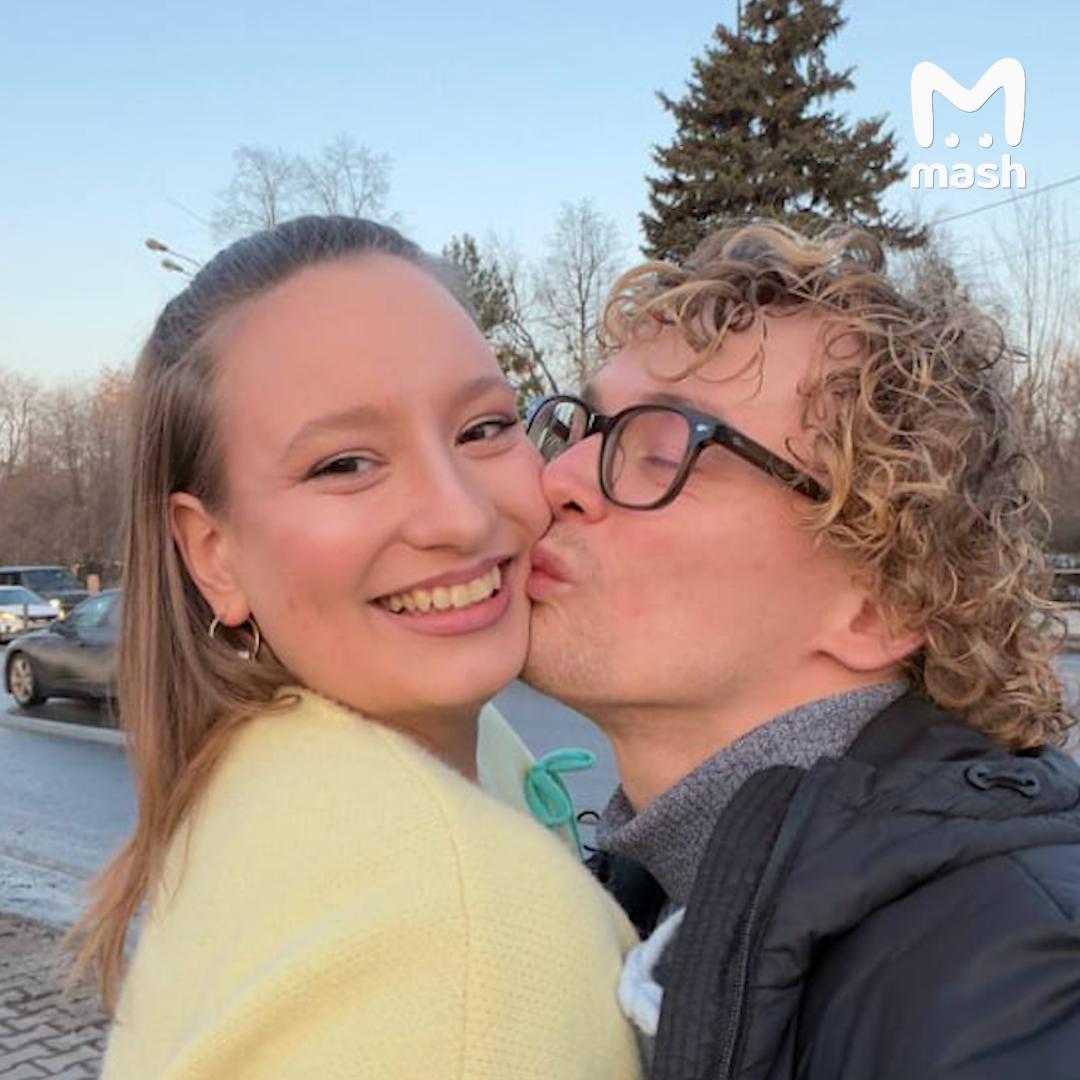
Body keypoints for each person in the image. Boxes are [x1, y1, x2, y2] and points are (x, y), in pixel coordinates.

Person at [75, 216, 643, 1079]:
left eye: (484, 427)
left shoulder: (271, 762)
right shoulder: (464, 930)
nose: (459, 515)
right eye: (344, 464)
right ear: (213, 553)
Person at [523, 220, 1080, 1079]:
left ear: (882, 605)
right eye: (580, 431)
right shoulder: (658, 900)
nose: (556, 480)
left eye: (662, 449)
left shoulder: (1012, 988)